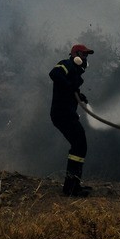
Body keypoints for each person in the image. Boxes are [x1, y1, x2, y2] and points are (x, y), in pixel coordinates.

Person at [49, 43, 94, 197]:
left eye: (87, 55)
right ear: (75, 55)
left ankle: (74, 185)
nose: (86, 58)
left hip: (67, 114)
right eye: (84, 54)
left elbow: (69, 89)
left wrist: (79, 96)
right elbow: (54, 74)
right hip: (62, 114)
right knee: (79, 145)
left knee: (79, 146)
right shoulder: (66, 64)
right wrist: (70, 88)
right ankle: (71, 188)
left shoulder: (75, 73)